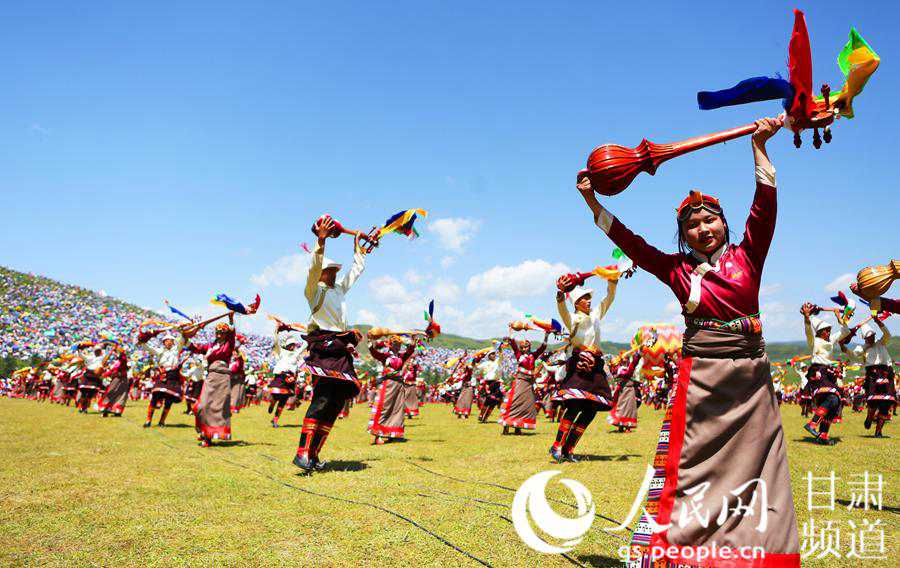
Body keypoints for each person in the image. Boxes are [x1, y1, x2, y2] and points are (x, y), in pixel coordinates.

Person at [575, 117, 799, 565]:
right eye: (693, 223)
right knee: (691, 467)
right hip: (702, 380)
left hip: (752, 380)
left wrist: (759, 147)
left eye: (711, 218)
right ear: (684, 234)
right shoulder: (676, 270)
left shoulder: (747, 256)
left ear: (724, 223)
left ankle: (754, 549)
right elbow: (632, 243)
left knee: (759, 465)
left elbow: (764, 207)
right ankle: (675, 546)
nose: (704, 227)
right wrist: (591, 200)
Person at [293, 215, 372, 471]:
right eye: (331, 269)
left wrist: (358, 248)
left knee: (335, 404)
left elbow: (356, 272)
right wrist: (321, 242)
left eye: (336, 270)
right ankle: (302, 453)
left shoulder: (338, 290)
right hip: (324, 350)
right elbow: (314, 267)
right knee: (322, 400)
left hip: (341, 350)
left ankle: (314, 455)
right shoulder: (313, 292)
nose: (335, 273)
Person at [551, 280, 618, 461]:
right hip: (579, 365)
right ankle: (557, 446)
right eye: (585, 299)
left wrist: (613, 282)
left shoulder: (595, 316)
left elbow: (608, 299)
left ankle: (569, 448)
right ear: (577, 303)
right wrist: (560, 298)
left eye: (589, 298)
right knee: (574, 405)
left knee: (591, 410)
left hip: (595, 366)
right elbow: (563, 311)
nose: (589, 301)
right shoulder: (572, 319)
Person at [800, 303, 850, 445]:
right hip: (818, 372)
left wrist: (839, 316)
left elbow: (845, 331)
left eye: (829, 330)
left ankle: (822, 436)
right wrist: (807, 317)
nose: (828, 333)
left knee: (833, 404)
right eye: (826, 331)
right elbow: (808, 330)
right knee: (833, 399)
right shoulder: (814, 341)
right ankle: (812, 424)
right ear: (820, 332)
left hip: (828, 374)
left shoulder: (831, 341)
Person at [188, 318, 237, 446]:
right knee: (201, 406)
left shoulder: (229, 344)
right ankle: (203, 431)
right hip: (210, 377)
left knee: (215, 408)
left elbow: (232, 335)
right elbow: (195, 348)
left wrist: (231, 320)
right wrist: (185, 337)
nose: (219, 335)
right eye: (218, 332)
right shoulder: (210, 346)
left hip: (222, 379)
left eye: (222, 332)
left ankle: (208, 437)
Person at [846, 319, 895, 437]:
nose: (871, 338)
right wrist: (844, 346)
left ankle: (878, 431)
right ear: (864, 338)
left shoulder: (882, 342)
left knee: (886, 403)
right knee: (873, 402)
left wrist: (878, 322)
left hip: (886, 373)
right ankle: (869, 416)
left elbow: (888, 334)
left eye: (872, 336)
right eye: (868, 337)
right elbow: (853, 354)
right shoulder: (862, 348)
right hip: (872, 375)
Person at [367, 334, 417, 444]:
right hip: (388, 385)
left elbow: (410, 351)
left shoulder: (401, 356)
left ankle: (393, 433)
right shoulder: (385, 356)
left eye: (399, 344)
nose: (397, 346)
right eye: (395, 344)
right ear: (390, 345)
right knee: (384, 408)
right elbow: (374, 353)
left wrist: (413, 340)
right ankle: (378, 435)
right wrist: (371, 342)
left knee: (397, 409)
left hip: (399, 386)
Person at [498, 333, 548, 435]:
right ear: (521, 348)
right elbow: (513, 344)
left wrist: (546, 335)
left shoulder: (533, 355)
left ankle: (518, 428)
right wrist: (511, 333)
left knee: (525, 405)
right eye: (523, 347)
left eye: (527, 347)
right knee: (514, 402)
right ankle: (506, 426)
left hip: (529, 383)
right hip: (520, 381)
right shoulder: (518, 355)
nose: (525, 348)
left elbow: (542, 348)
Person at [138, 330, 188, 428]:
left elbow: (182, 340)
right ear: (163, 342)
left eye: (171, 341)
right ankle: (148, 420)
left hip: (173, 375)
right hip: (163, 374)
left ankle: (162, 421)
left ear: (173, 342)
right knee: (155, 397)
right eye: (166, 340)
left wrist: (182, 332)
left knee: (169, 400)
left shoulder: (176, 350)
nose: (169, 342)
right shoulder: (159, 350)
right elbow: (147, 348)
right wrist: (142, 340)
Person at [268, 323, 305, 427]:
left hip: (290, 380)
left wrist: (311, 336)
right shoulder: (281, 352)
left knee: (283, 402)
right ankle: (272, 404)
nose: (293, 346)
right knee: (276, 396)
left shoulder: (296, 354)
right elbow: (276, 342)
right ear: (287, 345)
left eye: (294, 344)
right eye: (291, 344)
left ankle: (275, 420)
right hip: (280, 377)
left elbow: (304, 346)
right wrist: (277, 331)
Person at [476, 351, 504, 423]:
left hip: (497, 383)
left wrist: (500, 351)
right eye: (492, 354)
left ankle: (485, 418)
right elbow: (478, 369)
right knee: (488, 401)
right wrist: (477, 359)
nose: (494, 355)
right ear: (488, 356)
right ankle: (481, 415)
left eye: (494, 354)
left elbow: (501, 357)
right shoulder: (484, 364)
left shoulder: (497, 362)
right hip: (489, 383)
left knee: (494, 402)